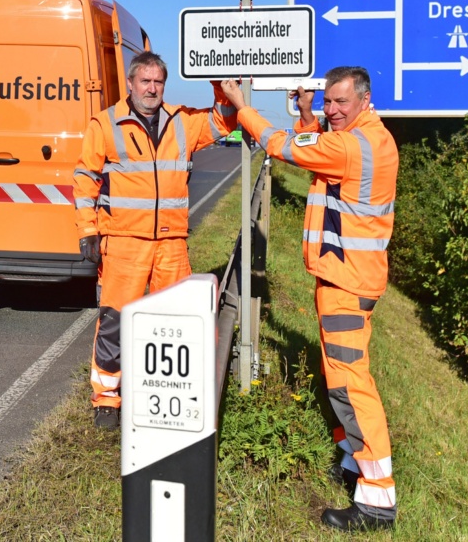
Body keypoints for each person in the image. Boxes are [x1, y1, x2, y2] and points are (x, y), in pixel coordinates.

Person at [225, 66, 399, 532]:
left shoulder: (352, 146)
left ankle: (377, 499)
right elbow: (317, 145)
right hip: (348, 276)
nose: (332, 110)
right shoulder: (367, 137)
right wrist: (306, 114)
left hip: (347, 282)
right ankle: (351, 460)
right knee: (337, 374)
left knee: (350, 384)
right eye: (328, 101)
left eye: (341, 102)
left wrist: (242, 108)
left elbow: (283, 147)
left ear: (364, 100)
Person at [73, 51, 239, 430]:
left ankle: (165, 396)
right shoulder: (105, 124)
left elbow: (225, 121)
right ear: (131, 84)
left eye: (158, 82)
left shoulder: (182, 122)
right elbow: (85, 179)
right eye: (145, 81)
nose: (151, 88)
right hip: (123, 243)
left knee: (175, 322)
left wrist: (218, 83)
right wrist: (87, 230)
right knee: (114, 322)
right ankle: (107, 399)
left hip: (171, 244)